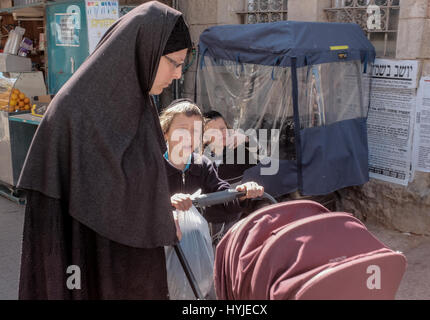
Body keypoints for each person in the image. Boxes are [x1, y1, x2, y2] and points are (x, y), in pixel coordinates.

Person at [17, 2, 192, 299]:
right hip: (87, 266)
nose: (178, 75)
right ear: (144, 48)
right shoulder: (75, 112)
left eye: (182, 65)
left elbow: (132, 182)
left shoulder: (138, 102)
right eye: (174, 62)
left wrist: (159, 213)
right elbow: (89, 203)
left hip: (130, 269)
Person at [159, 99, 264, 241]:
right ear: (165, 133)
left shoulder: (203, 165)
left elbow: (223, 197)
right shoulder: (155, 167)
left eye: (195, 131)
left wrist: (241, 193)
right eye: (182, 130)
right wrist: (167, 203)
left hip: (198, 242)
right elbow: (143, 203)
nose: (189, 137)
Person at [203, 110, 259, 185]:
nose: (220, 133)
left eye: (222, 128)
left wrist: (247, 139)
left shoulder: (239, 149)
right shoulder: (201, 157)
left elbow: (263, 157)